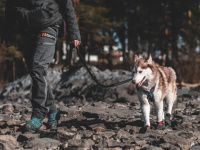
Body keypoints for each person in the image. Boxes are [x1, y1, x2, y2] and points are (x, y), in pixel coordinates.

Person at [1, 0, 81, 132]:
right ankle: (53, 112)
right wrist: (7, 34)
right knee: (36, 72)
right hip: (27, 28)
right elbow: (10, 8)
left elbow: (67, 5)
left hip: (49, 25)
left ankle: (38, 114)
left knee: (38, 68)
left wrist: (74, 33)